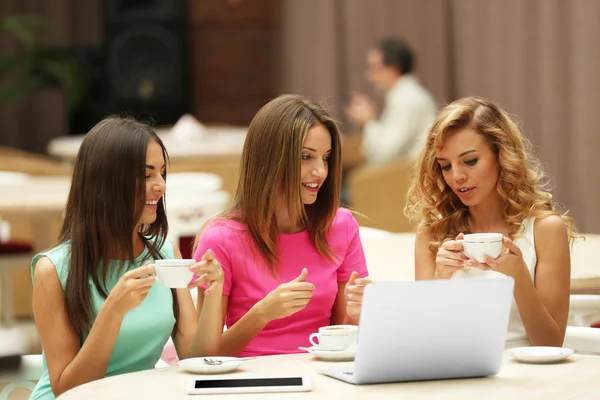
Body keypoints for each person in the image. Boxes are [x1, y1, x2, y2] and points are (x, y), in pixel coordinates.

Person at [30, 117, 224, 399]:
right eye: (146, 176)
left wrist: (213, 293)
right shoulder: (54, 270)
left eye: (162, 173)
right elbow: (66, 389)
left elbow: (196, 358)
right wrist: (113, 311)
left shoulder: (165, 254)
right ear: (106, 182)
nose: (160, 186)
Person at [194, 94, 371, 357]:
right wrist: (263, 313)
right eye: (305, 157)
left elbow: (341, 338)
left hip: (322, 381)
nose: (321, 171)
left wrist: (357, 318)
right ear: (270, 160)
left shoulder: (341, 226)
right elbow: (204, 358)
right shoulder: (221, 239)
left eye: (326, 158)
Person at [406, 96, 577, 348]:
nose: (457, 177)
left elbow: (551, 343)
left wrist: (518, 275)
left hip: (526, 380)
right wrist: (441, 278)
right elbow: (422, 341)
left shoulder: (545, 230)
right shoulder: (431, 236)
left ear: (502, 155)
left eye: (470, 161)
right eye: (445, 166)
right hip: (457, 376)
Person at [345, 38, 437, 165]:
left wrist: (368, 121)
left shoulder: (408, 99)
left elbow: (384, 156)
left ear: (394, 69)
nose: (370, 76)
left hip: (405, 177)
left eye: (374, 68)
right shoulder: (405, 95)